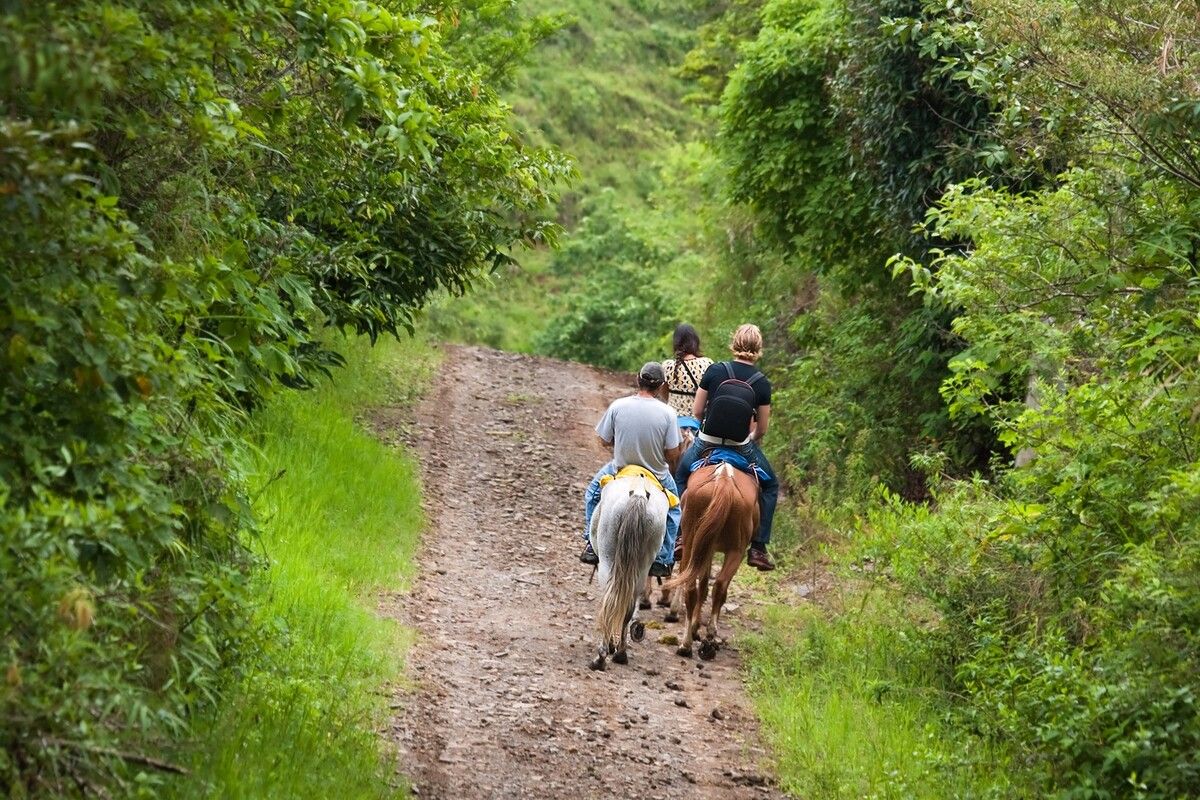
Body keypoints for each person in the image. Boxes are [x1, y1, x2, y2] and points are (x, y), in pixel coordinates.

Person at [674, 323, 780, 571]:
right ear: (759, 348)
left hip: (706, 442)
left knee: (680, 475)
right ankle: (758, 546)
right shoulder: (762, 383)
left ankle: (679, 534)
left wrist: (706, 432)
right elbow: (762, 428)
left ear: (734, 343)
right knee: (772, 485)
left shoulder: (715, 370)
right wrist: (746, 441)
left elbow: (697, 411)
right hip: (740, 447)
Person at [580, 362, 683, 578]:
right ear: (661, 386)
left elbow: (602, 440)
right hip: (657, 474)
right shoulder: (668, 413)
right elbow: (673, 454)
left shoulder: (618, 406)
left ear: (638, 379)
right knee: (674, 510)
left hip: (621, 469)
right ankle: (664, 558)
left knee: (592, 493)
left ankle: (591, 543)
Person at [659, 323, 713, 419]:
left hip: (673, 420)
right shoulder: (707, 364)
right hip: (697, 421)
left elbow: (663, 393)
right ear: (695, 341)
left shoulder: (668, 366)